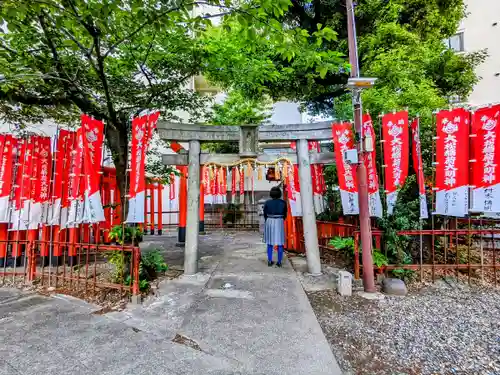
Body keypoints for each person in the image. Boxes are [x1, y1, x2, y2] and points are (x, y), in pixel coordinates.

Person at [263, 186, 287, 267]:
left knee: (269, 243)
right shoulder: (283, 203)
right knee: (280, 243)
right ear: (280, 194)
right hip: (279, 220)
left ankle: (269, 261)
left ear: (271, 194)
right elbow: (285, 215)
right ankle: (279, 262)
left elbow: (265, 214)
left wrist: (269, 219)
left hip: (269, 220)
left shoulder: (267, 202)